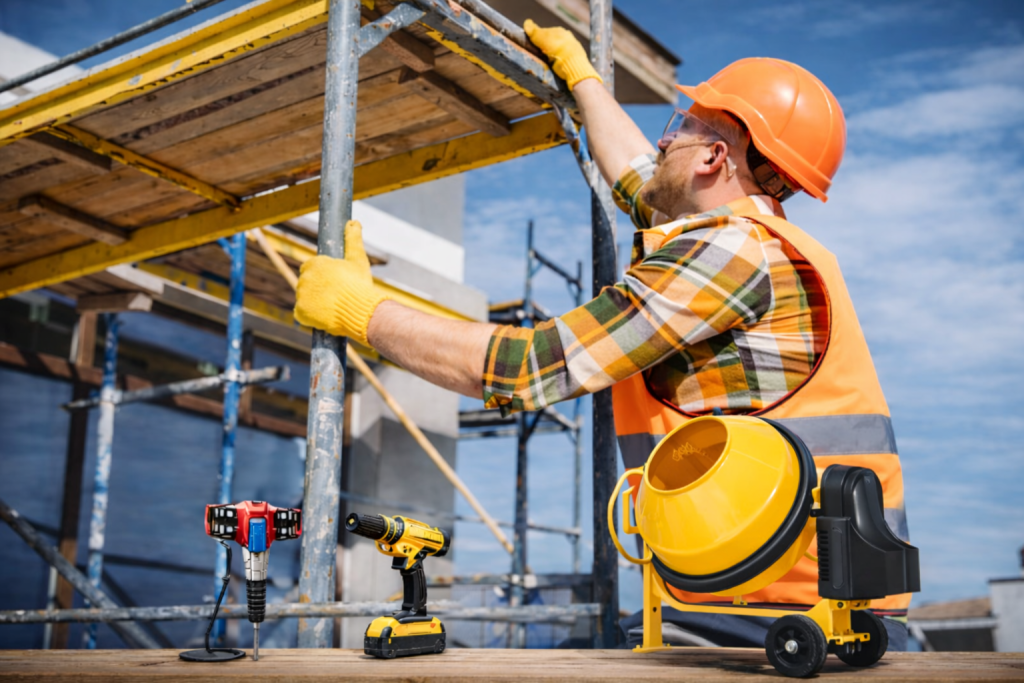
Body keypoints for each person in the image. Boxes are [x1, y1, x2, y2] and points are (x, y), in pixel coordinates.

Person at [294, 20, 911, 649]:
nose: (663, 140)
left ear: (713, 158)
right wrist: (584, 79)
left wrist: (361, 311)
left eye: (680, 128)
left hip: (770, 614)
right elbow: (641, 179)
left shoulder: (729, 254)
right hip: (809, 599)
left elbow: (527, 367)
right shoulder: (756, 240)